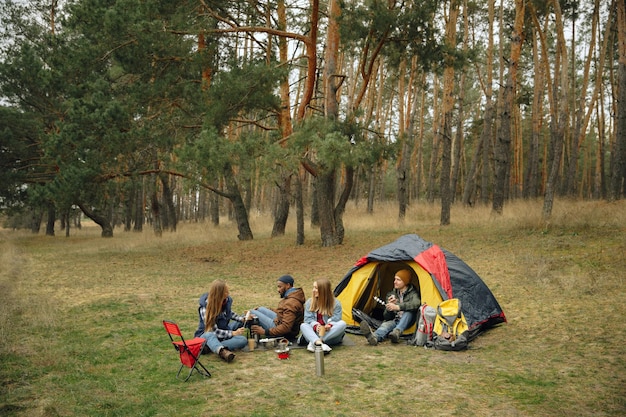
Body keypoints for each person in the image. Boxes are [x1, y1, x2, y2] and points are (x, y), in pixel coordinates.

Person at [360, 269, 420, 345]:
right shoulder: (391, 294)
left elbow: (416, 303)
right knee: (386, 325)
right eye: (395, 279)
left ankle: (397, 332)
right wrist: (389, 308)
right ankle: (374, 337)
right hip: (396, 319)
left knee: (409, 312)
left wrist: (398, 306)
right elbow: (387, 317)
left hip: (409, 321)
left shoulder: (413, 293)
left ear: (405, 282)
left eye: (398, 280)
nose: (395, 282)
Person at [195, 280, 248, 363]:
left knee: (243, 340)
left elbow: (229, 313)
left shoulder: (225, 301)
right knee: (209, 335)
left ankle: (213, 346)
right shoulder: (205, 308)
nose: (228, 293)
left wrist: (242, 319)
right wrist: (233, 333)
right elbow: (214, 331)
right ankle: (220, 350)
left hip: (223, 331)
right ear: (219, 294)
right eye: (225, 292)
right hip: (207, 335)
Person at [249, 274, 305, 341]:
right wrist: (270, 310)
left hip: (284, 333)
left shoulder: (291, 303)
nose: (278, 290)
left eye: (280, 287)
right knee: (260, 309)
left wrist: (265, 332)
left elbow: (286, 327)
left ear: (288, 285)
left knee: (251, 312)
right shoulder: (292, 296)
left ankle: (235, 331)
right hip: (279, 322)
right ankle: (236, 328)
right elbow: (284, 312)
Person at [300, 277, 347, 353]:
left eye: (316, 288)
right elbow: (308, 320)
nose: (313, 290)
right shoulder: (310, 302)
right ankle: (319, 343)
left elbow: (336, 319)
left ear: (323, 291)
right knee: (303, 325)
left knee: (342, 324)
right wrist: (316, 326)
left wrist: (329, 325)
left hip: (329, 334)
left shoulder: (336, 303)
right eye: (313, 287)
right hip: (314, 333)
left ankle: (315, 342)